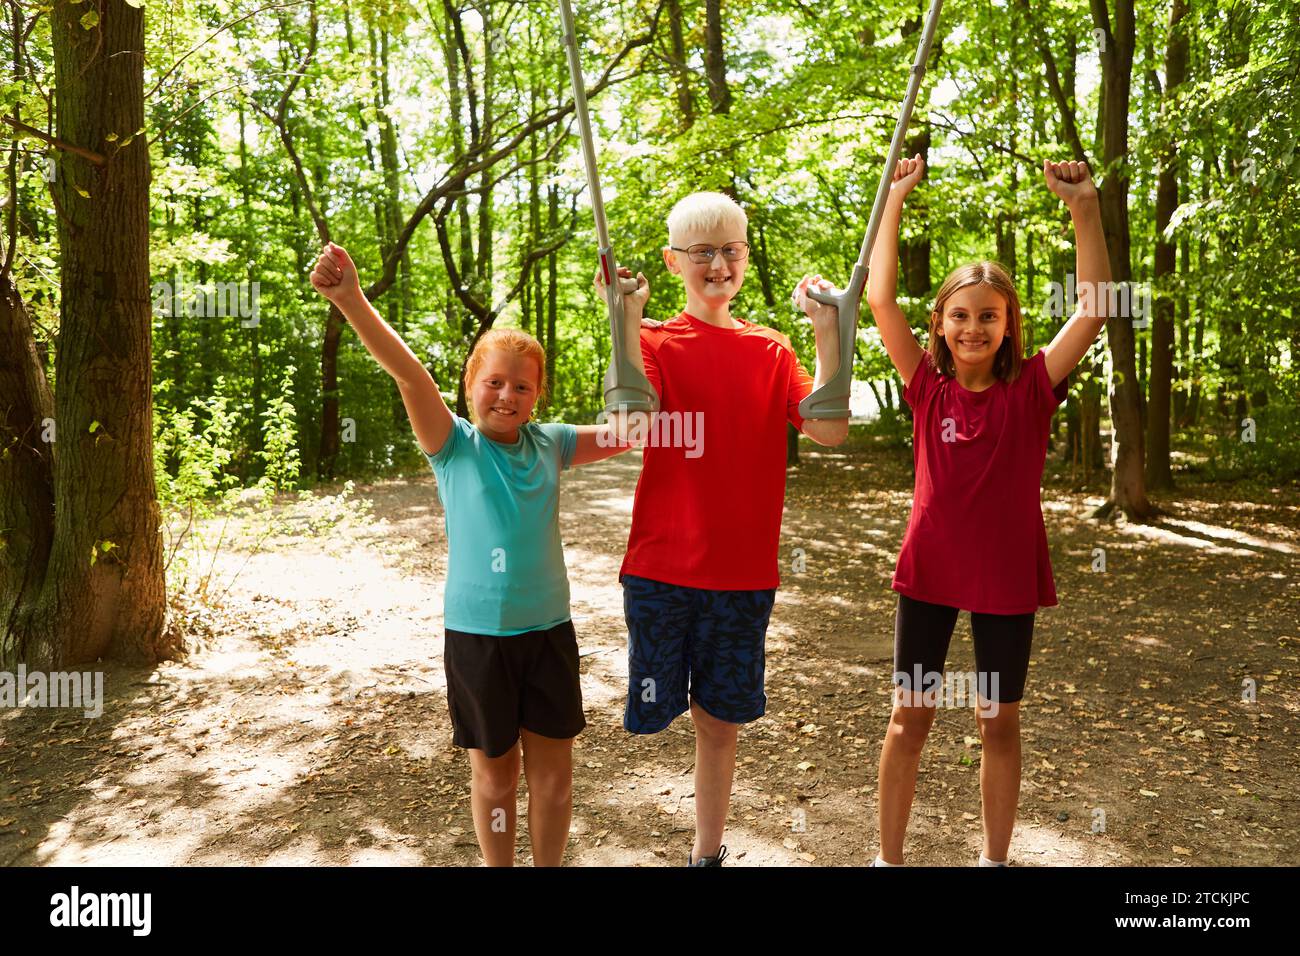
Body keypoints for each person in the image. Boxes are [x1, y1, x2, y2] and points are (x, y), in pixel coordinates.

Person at [310, 241, 636, 866]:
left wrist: (622, 313)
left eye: (522, 386)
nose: (506, 396)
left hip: (548, 633)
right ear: (470, 386)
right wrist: (350, 298)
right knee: (497, 778)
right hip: (479, 638)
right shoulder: (453, 445)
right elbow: (410, 373)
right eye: (494, 382)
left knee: (554, 780)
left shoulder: (551, 443)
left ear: (538, 395)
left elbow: (633, 429)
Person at [858, 157, 1111, 866]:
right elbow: (880, 299)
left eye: (988, 317)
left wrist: (1084, 207)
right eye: (960, 316)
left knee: (997, 720)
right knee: (910, 718)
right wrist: (894, 199)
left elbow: (1092, 307)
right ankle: (888, 859)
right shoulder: (924, 387)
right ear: (938, 325)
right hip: (930, 572)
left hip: (1004, 577)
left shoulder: (1032, 388)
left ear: (1008, 326)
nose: (973, 327)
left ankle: (993, 860)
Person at [598, 192, 851, 866]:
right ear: (673, 260)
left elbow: (827, 428)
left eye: (730, 250)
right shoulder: (652, 340)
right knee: (654, 711)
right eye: (702, 251)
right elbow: (632, 423)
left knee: (719, 721)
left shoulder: (772, 350)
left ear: (744, 255)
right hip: (662, 569)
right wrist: (623, 317)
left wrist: (831, 329)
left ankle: (706, 854)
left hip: (741, 578)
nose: (718, 264)